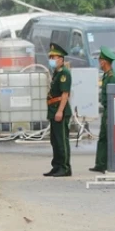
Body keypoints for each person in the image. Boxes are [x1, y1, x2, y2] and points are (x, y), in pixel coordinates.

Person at [45, 43, 72, 177]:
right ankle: (56, 166)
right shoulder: (56, 73)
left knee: (61, 140)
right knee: (54, 141)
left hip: (59, 111)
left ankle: (65, 167)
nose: (51, 59)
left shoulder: (64, 73)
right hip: (53, 110)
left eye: (54, 57)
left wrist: (60, 111)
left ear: (61, 59)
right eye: (50, 57)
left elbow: (65, 94)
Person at [90, 46, 115, 174]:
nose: (99, 63)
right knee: (102, 137)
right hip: (106, 110)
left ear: (104, 62)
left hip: (110, 110)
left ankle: (108, 163)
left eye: (100, 60)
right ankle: (100, 164)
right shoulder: (107, 76)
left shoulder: (112, 77)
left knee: (108, 137)